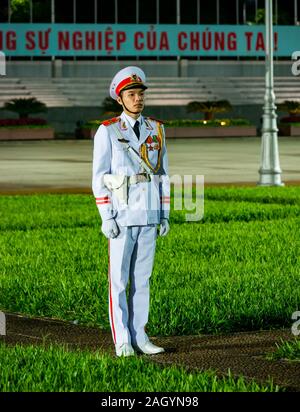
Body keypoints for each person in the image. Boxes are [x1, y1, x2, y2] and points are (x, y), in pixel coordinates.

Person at [92, 66, 170, 357]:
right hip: (123, 215)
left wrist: (164, 214)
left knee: (143, 279)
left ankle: (141, 335)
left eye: (140, 94)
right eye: (132, 94)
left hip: (149, 213)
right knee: (119, 281)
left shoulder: (156, 128)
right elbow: (99, 176)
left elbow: (162, 173)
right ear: (120, 99)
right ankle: (122, 339)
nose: (138, 99)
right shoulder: (108, 130)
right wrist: (106, 216)